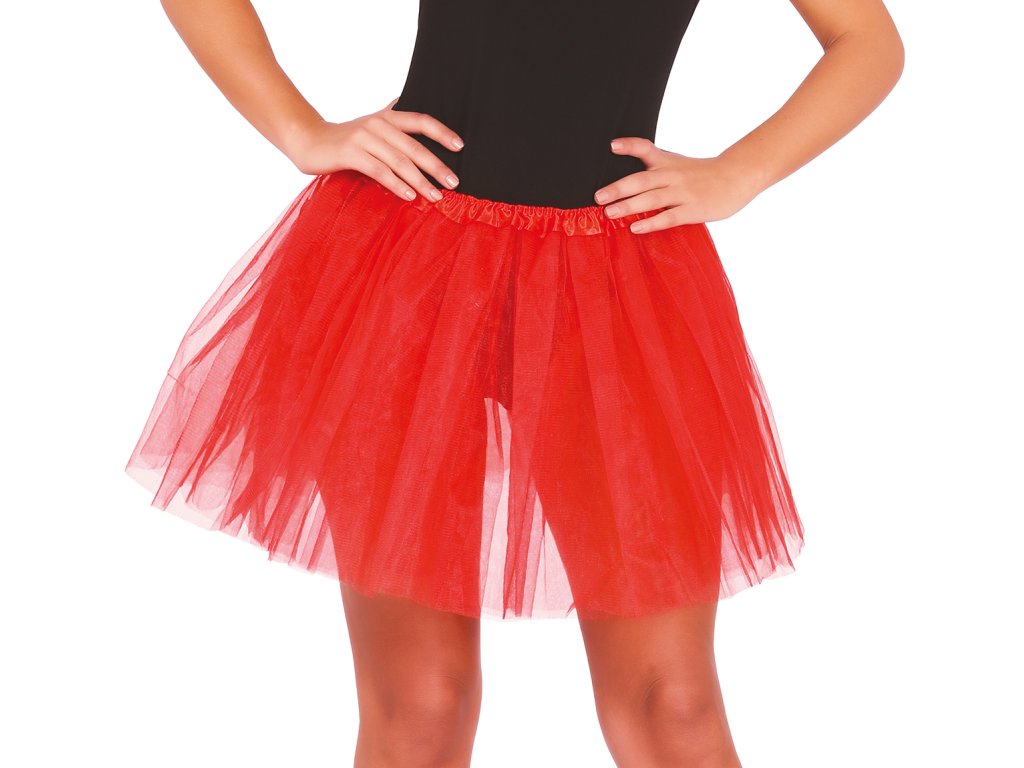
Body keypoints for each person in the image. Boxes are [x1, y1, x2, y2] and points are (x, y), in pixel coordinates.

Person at [125, 0, 904, 764]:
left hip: (613, 290)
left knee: (670, 704)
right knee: (423, 705)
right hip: (410, 270)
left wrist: (740, 172)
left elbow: (865, 37)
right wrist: (301, 130)